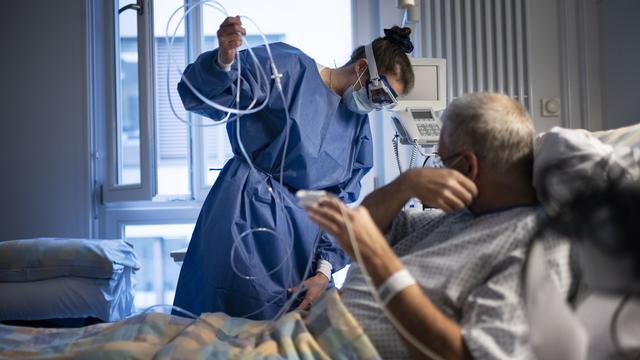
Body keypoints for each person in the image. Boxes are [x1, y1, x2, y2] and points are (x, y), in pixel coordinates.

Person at [173, 16, 416, 320]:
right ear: (362, 68)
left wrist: (324, 271)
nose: (377, 106)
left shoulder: (358, 130)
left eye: (386, 103)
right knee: (226, 328)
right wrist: (224, 62)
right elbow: (209, 96)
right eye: (379, 95)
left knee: (300, 334)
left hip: (304, 243)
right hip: (245, 216)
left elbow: (337, 204)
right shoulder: (288, 68)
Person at [306, 93, 572, 359]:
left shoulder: (536, 247)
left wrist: (381, 263)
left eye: (443, 163)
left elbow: (473, 355)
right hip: (308, 333)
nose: (437, 171)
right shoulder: (464, 216)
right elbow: (359, 232)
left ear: (468, 166)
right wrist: (406, 184)